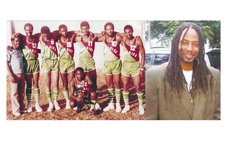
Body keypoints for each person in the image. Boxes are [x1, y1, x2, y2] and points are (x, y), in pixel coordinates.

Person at [145, 22, 220, 120]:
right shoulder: (154, 76)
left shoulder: (214, 76)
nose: (190, 48)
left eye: (195, 44)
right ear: (176, 44)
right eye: (184, 42)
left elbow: (218, 115)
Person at [12, 22, 43, 112]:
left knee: (36, 84)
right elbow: (13, 39)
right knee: (29, 85)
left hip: (35, 63)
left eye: (30, 29)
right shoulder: (22, 39)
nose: (29, 31)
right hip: (27, 64)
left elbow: (46, 34)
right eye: (27, 30)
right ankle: (29, 104)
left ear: (32, 30)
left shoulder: (36, 37)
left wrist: (39, 51)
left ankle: (37, 104)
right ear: (25, 31)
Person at [97, 22, 122, 112]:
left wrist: (117, 33)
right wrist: (100, 33)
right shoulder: (103, 38)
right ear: (105, 30)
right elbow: (94, 38)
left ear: (113, 29)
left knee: (117, 84)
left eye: (111, 28)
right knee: (109, 85)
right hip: (107, 63)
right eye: (107, 29)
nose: (109, 30)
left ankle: (118, 104)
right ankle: (111, 103)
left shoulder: (118, 37)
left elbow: (125, 36)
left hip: (116, 63)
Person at [120, 25, 145, 115]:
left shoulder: (137, 40)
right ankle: (127, 106)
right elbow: (113, 34)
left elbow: (143, 54)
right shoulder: (123, 39)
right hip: (125, 66)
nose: (128, 34)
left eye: (129, 32)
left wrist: (142, 68)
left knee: (137, 86)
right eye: (126, 32)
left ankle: (140, 106)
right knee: (125, 85)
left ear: (132, 31)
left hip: (135, 66)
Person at [39, 26, 60, 112]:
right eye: (43, 34)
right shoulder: (39, 37)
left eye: (46, 33)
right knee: (47, 84)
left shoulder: (53, 36)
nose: (45, 35)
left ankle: (55, 101)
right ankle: (50, 102)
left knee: (55, 83)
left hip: (54, 61)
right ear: (41, 33)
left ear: (49, 33)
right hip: (45, 62)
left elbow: (62, 31)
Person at [56, 24, 76, 110]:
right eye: (62, 31)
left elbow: (77, 33)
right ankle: (67, 100)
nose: (64, 32)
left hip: (70, 62)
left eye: (65, 30)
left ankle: (72, 99)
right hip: (62, 63)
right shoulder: (57, 39)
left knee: (72, 83)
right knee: (65, 84)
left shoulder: (71, 38)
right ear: (59, 31)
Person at [74, 21, 98, 93]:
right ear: (81, 29)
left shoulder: (93, 36)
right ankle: (85, 100)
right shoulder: (78, 38)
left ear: (89, 28)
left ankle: (95, 101)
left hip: (90, 61)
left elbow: (102, 35)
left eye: (86, 29)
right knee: (83, 83)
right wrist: (77, 32)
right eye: (83, 29)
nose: (85, 31)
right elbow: (69, 35)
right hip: (82, 62)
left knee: (93, 82)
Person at [7, 34, 26, 116]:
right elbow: (6, 64)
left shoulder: (21, 49)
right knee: (15, 93)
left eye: (19, 41)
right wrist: (11, 75)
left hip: (22, 73)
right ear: (12, 41)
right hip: (14, 74)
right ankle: (16, 110)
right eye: (16, 41)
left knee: (21, 92)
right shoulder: (9, 51)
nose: (18, 42)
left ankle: (22, 108)